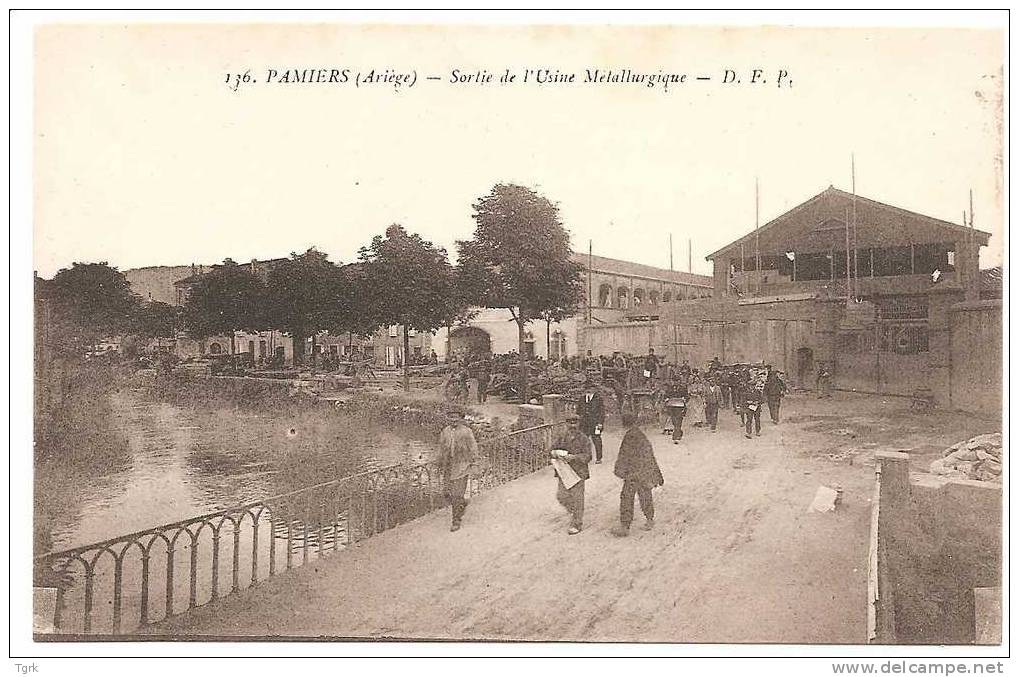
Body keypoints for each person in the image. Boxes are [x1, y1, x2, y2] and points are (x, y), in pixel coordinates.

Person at [611, 410, 665, 537]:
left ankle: (625, 526)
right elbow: (648, 454)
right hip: (643, 471)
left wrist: (620, 470)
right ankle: (650, 519)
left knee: (626, 497)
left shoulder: (630, 435)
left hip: (633, 473)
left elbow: (624, 455)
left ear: (624, 424)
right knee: (645, 495)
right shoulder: (639, 434)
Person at [436, 410, 480, 532]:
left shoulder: (466, 431)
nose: (453, 420)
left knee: (457, 494)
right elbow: (441, 447)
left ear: (461, 419)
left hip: (462, 466)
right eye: (451, 418)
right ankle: (462, 503)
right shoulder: (445, 431)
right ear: (448, 418)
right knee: (446, 493)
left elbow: (473, 448)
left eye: (456, 418)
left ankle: (456, 520)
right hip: (448, 466)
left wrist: (475, 464)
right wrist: (439, 463)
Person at [551, 413, 593, 535]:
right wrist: (554, 453)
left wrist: (573, 457)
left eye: (575, 423)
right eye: (570, 423)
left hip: (578, 473)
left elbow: (588, 456)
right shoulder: (562, 437)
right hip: (564, 472)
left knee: (578, 499)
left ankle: (577, 523)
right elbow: (551, 449)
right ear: (566, 424)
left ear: (579, 424)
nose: (572, 426)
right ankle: (574, 511)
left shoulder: (584, 439)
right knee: (561, 496)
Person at [576, 378, 606, 464]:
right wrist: (579, 419)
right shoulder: (582, 399)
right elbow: (578, 411)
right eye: (586, 389)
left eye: (590, 388)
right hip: (584, 424)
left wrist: (600, 423)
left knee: (596, 439)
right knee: (584, 440)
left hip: (595, 423)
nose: (588, 390)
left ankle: (599, 458)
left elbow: (602, 412)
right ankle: (586, 457)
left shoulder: (598, 399)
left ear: (594, 389)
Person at [663, 377, 689, 444]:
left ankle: (675, 437)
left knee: (679, 421)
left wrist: (684, 399)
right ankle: (679, 431)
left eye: (677, 381)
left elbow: (687, 396)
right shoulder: (670, 388)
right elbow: (666, 396)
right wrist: (666, 398)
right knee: (674, 421)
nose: (676, 382)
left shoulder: (683, 388)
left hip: (680, 407)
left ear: (679, 381)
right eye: (674, 381)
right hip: (672, 407)